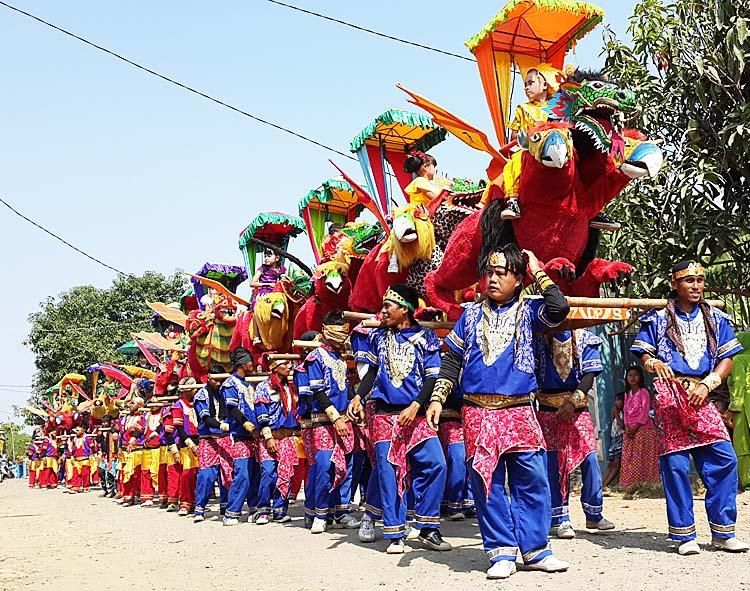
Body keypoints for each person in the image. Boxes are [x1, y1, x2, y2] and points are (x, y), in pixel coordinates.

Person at [427, 244, 571, 579]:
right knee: (486, 481)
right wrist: (437, 397)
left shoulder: (531, 311)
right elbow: (452, 359)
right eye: (489, 272)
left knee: (533, 480)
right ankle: (501, 552)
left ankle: (536, 551)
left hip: (519, 410)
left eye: (501, 273)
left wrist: (538, 272)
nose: (492, 279)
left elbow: (559, 307)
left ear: (518, 279)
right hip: (478, 411)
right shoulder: (471, 315)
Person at [631, 260, 749, 555]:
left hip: (703, 392)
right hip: (670, 395)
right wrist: (653, 362)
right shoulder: (657, 320)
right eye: (689, 280)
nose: (696, 286)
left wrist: (709, 383)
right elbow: (643, 355)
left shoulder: (717, 318)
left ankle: (723, 532)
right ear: (675, 284)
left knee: (724, 457)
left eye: (700, 280)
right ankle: (685, 535)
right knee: (676, 465)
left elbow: (727, 358)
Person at [350, 284, 450, 554]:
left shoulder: (426, 338)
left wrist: (417, 405)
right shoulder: (377, 338)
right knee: (389, 473)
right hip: (384, 415)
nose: (382, 311)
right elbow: (370, 372)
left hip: (415, 415)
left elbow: (432, 376)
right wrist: (359, 396)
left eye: (387, 306)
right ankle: (395, 534)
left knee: (436, 465)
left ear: (404, 309)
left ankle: (428, 527)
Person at [534, 329, 614, 539]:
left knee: (590, 458)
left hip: (578, 409)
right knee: (554, 463)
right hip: (548, 411)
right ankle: (559, 518)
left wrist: (573, 400)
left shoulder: (586, 338)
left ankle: (594, 513)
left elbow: (589, 375)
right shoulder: (538, 336)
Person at [299, 311, 360, 534]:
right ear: (326, 329)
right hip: (324, 420)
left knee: (346, 466)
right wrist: (335, 417)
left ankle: (341, 511)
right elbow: (317, 391)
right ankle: (319, 512)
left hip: (345, 418)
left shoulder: (341, 359)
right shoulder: (315, 357)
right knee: (324, 465)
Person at [501, 66, 562, 221]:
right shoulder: (523, 108)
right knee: (513, 163)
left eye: (530, 83)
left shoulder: (558, 109)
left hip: (554, 148)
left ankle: (592, 208)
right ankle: (513, 200)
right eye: (525, 85)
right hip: (528, 148)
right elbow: (514, 136)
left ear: (545, 85)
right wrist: (526, 135)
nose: (526, 88)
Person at [254, 358, 300, 524]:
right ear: (274, 367)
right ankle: (263, 510)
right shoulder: (263, 388)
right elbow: (261, 414)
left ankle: (280, 509)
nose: (289, 366)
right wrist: (268, 437)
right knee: (268, 472)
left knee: (285, 473)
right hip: (270, 436)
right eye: (285, 364)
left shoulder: (289, 388)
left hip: (286, 436)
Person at [222, 347, 261, 526]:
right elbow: (233, 409)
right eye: (251, 362)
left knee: (254, 475)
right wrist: (247, 424)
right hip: (240, 435)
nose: (253, 365)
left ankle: (254, 508)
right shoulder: (230, 384)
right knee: (243, 474)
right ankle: (232, 511)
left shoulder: (248, 384)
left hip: (253, 437)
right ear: (243, 364)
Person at [193, 363, 232, 522]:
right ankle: (200, 508)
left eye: (220, 381)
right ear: (208, 378)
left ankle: (226, 506)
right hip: (208, 439)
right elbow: (205, 417)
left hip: (225, 437)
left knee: (227, 473)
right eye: (215, 380)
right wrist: (219, 424)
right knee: (207, 475)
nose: (218, 383)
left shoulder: (225, 392)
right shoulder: (201, 395)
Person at [619, 366, 661, 488]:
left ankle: (646, 483)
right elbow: (625, 411)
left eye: (635, 375)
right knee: (628, 457)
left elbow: (645, 411)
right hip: (629, 430)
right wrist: (626, 426)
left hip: (643, 429)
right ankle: (629, 484)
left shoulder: (644, 392)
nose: (632, 378)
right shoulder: (627, 394)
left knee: (642, 457)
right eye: (630, 375)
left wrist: (636, 426)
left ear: (640, 377)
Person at [171, 378, 201, 516]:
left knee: (198, 474)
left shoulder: (197, 403)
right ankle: (185, 503)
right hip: (187, 442)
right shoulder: (178, 405)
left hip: (200, 440)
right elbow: (179, 428)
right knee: (187, 474)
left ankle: (197, 502)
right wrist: (190, 444)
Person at [727, 332, 750, 490]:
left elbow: (738, 384)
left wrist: (733, 409)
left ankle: (747, 481)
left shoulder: (739, 360)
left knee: (742, 444)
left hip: (744, 407)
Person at [602, 393, 624, 490]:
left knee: (616, 463)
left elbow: (622, 425)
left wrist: (616, 414)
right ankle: (602, 483)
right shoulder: (617, 413)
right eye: (616, 400)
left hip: (620, 438)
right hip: (614, 439)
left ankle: (606, 483)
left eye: (619, 400)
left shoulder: (624, 413)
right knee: (610, 463)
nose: (616, 402)